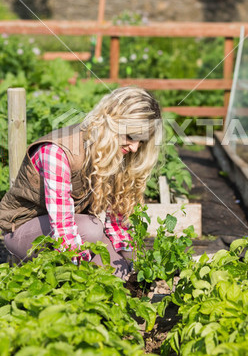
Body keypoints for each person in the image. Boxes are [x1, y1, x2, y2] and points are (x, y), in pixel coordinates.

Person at [0, 86, 162, 279]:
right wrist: (82, 271)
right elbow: (63, 228)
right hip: (22, 228)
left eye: (141, 142)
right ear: (112, 124)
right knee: (91, 229)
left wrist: (136, 263)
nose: (135, 148)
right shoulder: (58, 152)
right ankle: (47, 277)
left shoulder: (112, 152)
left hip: (75, 226)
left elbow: (116, 222)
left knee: (118, 272)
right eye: (131, 137)